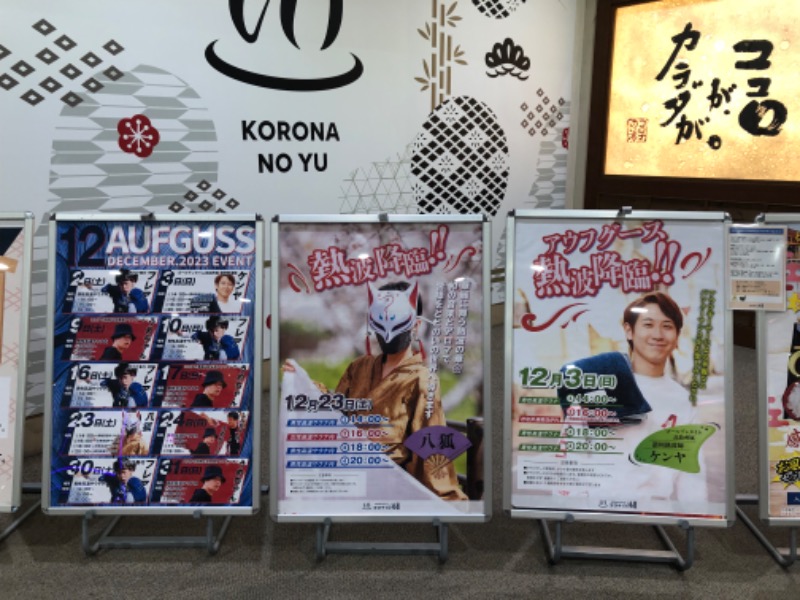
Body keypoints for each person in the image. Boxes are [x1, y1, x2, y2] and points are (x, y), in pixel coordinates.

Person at [283, 281, 467, 501]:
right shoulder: (359, 367)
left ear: (416, 325)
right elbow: (336, 412)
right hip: (346, 478)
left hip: (388, 487)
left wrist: (447, 501)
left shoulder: (422, 379)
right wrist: (304, 383)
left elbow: (430, 448)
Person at [557, 291, 703, 501]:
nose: (658, 334)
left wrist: (694, 514)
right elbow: (570, 453)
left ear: (677, 335)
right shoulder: (600, 382)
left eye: (667, 326)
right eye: (648, 324)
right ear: (629, 330)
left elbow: (691, 473)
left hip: (654, 510)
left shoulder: (682, 400)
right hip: (595, 507)